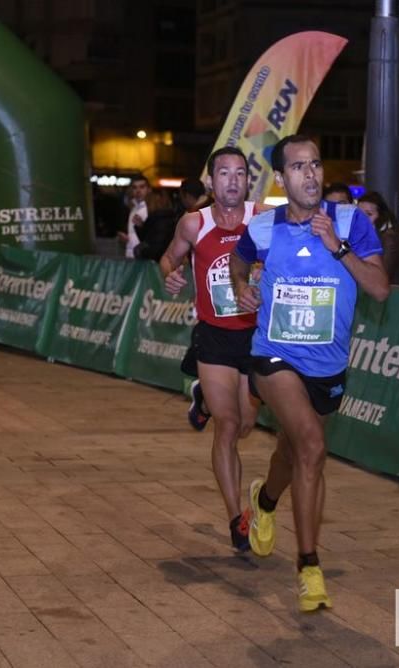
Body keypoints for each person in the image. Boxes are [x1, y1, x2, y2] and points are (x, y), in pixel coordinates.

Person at [231, 135, 389, 612]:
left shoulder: (351, 222)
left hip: (328, 365)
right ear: (281, 178)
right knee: (314, 448)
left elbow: (380, 290)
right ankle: (308, 566)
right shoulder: (262, 228)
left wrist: (337, 248)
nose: (311, 174)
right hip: (273, 355)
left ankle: (264, 501)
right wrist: (242, 287)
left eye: (316, 164)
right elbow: (238, 266)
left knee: (293, 449)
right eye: (298, 167)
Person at [160, 147, 262, 553]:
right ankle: (236, 517)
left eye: (240, 173)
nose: (233, 180)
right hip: (215, 336)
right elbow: (167, 259)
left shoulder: (265, 219)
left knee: (249, 424)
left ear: (248, 181)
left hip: (256, 338)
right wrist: (170, 276)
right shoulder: (192, 223)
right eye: (224, 173)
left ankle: (201, 396)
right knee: (229, 424)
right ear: (211, 182)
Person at [357, 191, 399, 286]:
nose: (362, 219)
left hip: (398, 295)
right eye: (359, 214)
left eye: (369, 214)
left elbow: (381, 277)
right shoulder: (364, 234)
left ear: (381, 216)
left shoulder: (389, 238)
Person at [134, 189, 178, 262]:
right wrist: (141, 227)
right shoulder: (166, 218)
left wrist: (139, 250)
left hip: (157, 266)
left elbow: (156, 250)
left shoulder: (160, 221)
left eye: (147, 204)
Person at [121, 175, 150, 258]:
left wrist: (142, 227)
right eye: (134, 187)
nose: (138, 191)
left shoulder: (151, 209)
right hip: (131, 256)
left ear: (148, 189)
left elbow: (155, 239)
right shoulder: (133, 208)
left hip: (144, 259)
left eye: (142, 187)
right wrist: (126, 239)